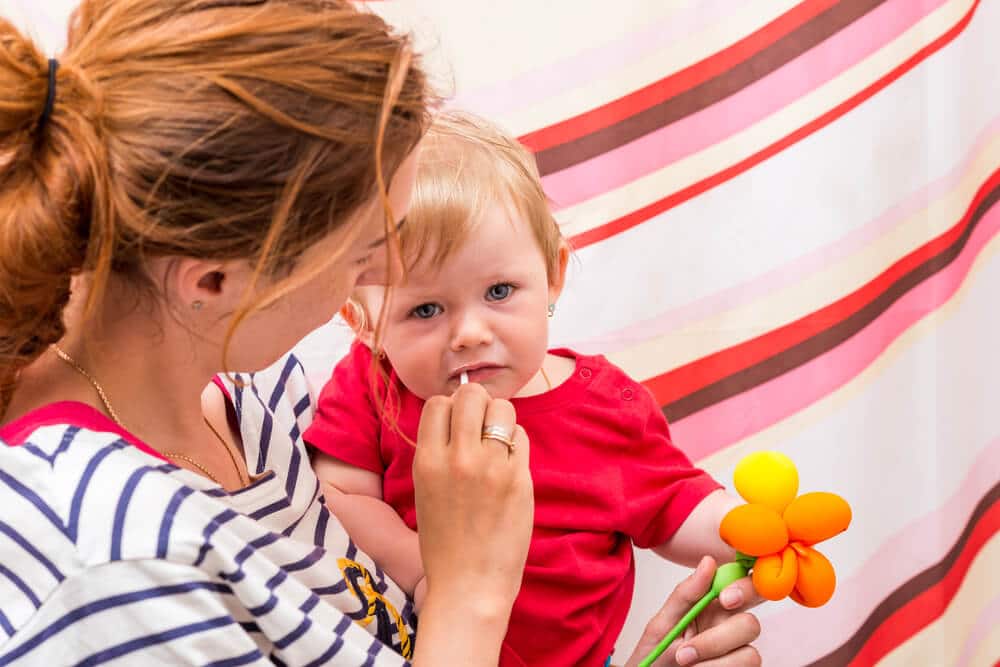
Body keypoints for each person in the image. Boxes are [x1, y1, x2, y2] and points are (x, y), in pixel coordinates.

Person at [0, 1, 759, 665]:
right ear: (211, 281)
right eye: (371, 246)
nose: (393, 274)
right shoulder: (112, 563)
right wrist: (467, 588)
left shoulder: (241, 397)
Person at [306, 113, 754, 666]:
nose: (470, 334)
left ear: (553, 275)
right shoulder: (372, 384)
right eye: (425, 309)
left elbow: (672, 506)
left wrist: (744, 531)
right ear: (365, 323)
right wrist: (426, 572)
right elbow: (338, 499)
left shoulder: (605, 403)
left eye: (499, 290)